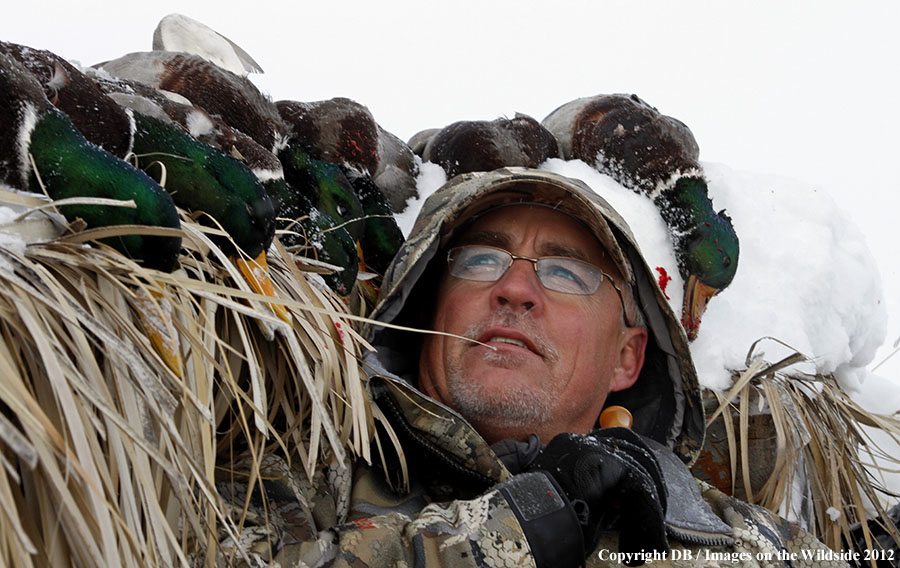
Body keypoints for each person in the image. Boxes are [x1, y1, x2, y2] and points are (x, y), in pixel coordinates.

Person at [217, 168, 848, 567]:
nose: (516, 289)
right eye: (482, 261)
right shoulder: (293, 468)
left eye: (565, 271)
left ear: (627, 357)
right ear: (423, 306)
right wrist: (521, 524)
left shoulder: (735, 542)